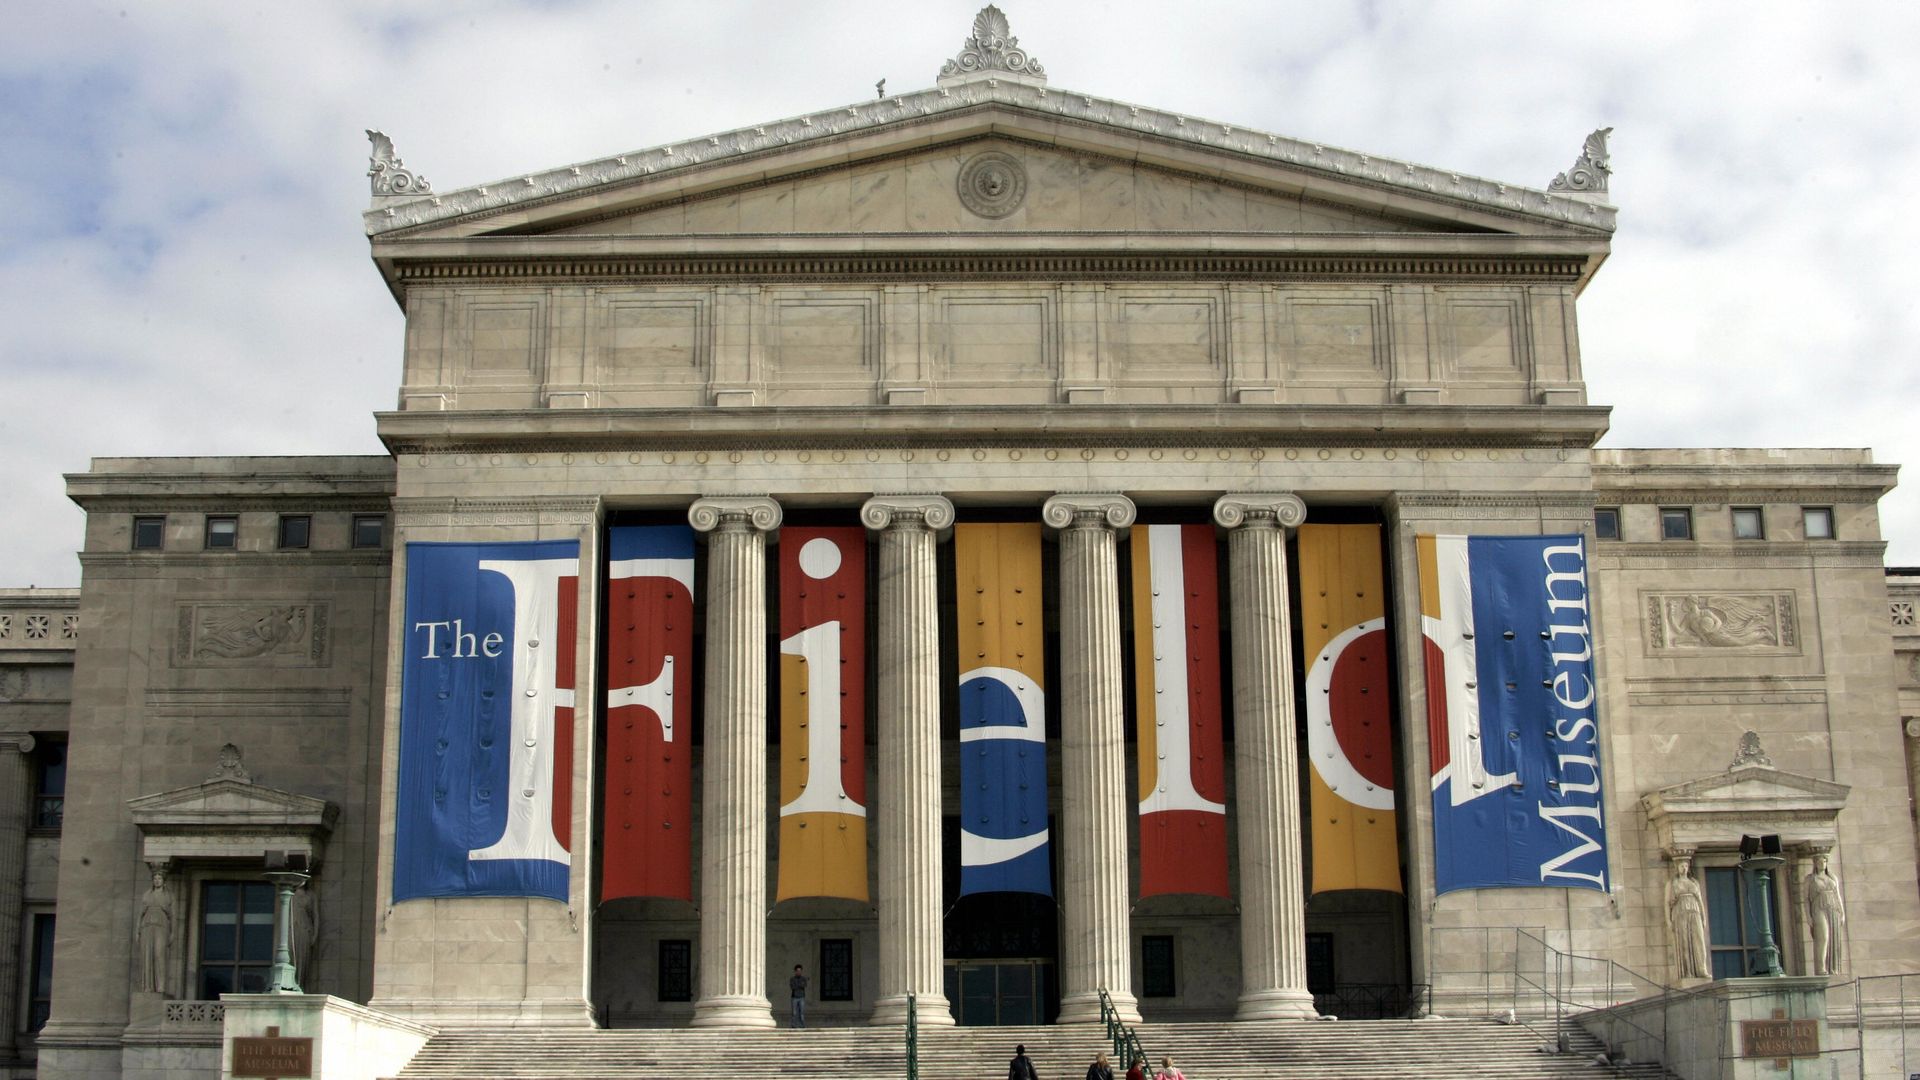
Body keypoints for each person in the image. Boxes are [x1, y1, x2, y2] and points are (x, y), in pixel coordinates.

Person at [1668, 855, 1709, 980]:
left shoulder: (1694, 882)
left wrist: (1704, 917)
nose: (1684, 868)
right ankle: (1687, 972)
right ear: (1677, 867)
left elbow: (1700, 900)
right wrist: (1668, 920)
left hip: (1694, 911)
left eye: (1686, 865)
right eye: (1682, 866)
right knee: (1685, 942)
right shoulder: (1673, 883)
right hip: (1680, 913)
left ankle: (1701, 969)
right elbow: (1667, 903)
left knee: (1699, 941)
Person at [1804, 853, 1846, 975]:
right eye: (1820, 862)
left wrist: (1842, 913)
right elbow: (1806, 899)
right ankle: (1821, 968)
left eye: (1824, 862)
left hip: (1833, 909)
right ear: (1815, 863)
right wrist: (1808, 917)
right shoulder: (1810, 879)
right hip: (1818, 908)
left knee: (1833, 938)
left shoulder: (1832, 878)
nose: (1822, 864)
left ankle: (1832, 968)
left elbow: (1838, 895)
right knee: (1823, 937)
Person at [136, 869, 173, 995]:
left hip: (161, 927)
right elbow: (140, 914)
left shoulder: (167, 895)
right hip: (147, 927)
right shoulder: (147, 894)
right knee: (148, 956)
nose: (157, 881)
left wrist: (172, 933)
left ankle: (160, 986)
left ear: (163, 881)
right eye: (155, 878)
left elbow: (172, 916)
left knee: (159, 955)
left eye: (159, 878)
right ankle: (148, 986)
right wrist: (137, 931)